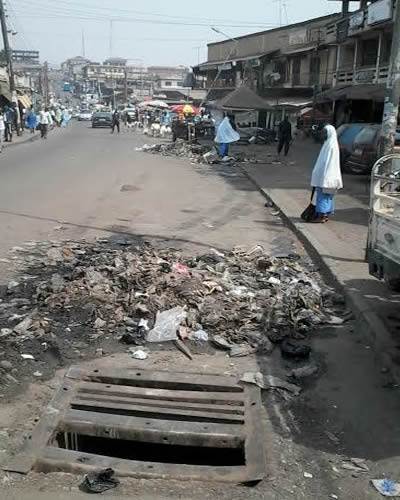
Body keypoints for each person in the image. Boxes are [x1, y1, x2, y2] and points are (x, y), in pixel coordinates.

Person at [310, 124, 343, 223]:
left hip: (327, 177)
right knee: (327, 196)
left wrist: (326, 178)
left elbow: (330, 164)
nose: (322, 135)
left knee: (323, 196)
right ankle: (325, 214)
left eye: (325, 133)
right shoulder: (328, 144)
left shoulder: (331, 147)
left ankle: (322, 216)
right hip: (325, 176)